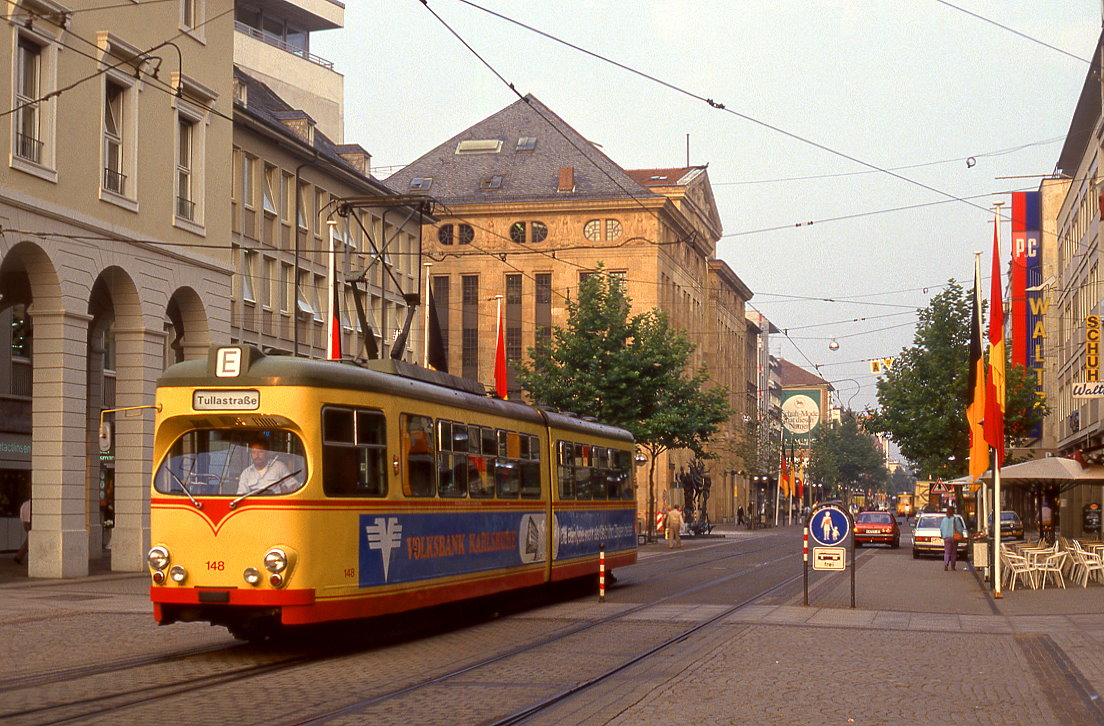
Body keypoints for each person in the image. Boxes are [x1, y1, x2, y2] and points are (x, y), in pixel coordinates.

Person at [940, 506, 966, 571]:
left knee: (947, 552)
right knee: (953, 553)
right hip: (954, 537)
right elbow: (959, 529)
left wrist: (943, 536)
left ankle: (946, 564)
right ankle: (953, 566)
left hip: (946, 537)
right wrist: (961, 535)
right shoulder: (955, 519)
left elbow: (941, 528)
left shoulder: (944, 520)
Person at [14, 497, 30, 565]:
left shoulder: (25, 504)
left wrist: (23, 521)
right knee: (29, 541)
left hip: (26, 523)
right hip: (31, 522)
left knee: (29, 540)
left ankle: (19, 556)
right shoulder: (34, 504)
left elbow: (21, 513)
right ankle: (19, 556)